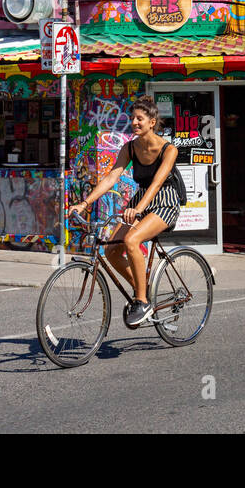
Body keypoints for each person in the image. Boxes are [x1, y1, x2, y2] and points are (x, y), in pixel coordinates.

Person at [72, 98, 187, 327]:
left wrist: (137, 210)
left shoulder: (169, 149)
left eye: (139, 119)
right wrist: (84, 203)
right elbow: (112, 177)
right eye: (132, 118)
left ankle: (142, 301)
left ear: (152, 122)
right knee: (112, 250)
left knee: (131, 239)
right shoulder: (130, 147)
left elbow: (156, 183)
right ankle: (140, 290)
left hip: (164, 202)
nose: (134, 122)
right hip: (140, 201)